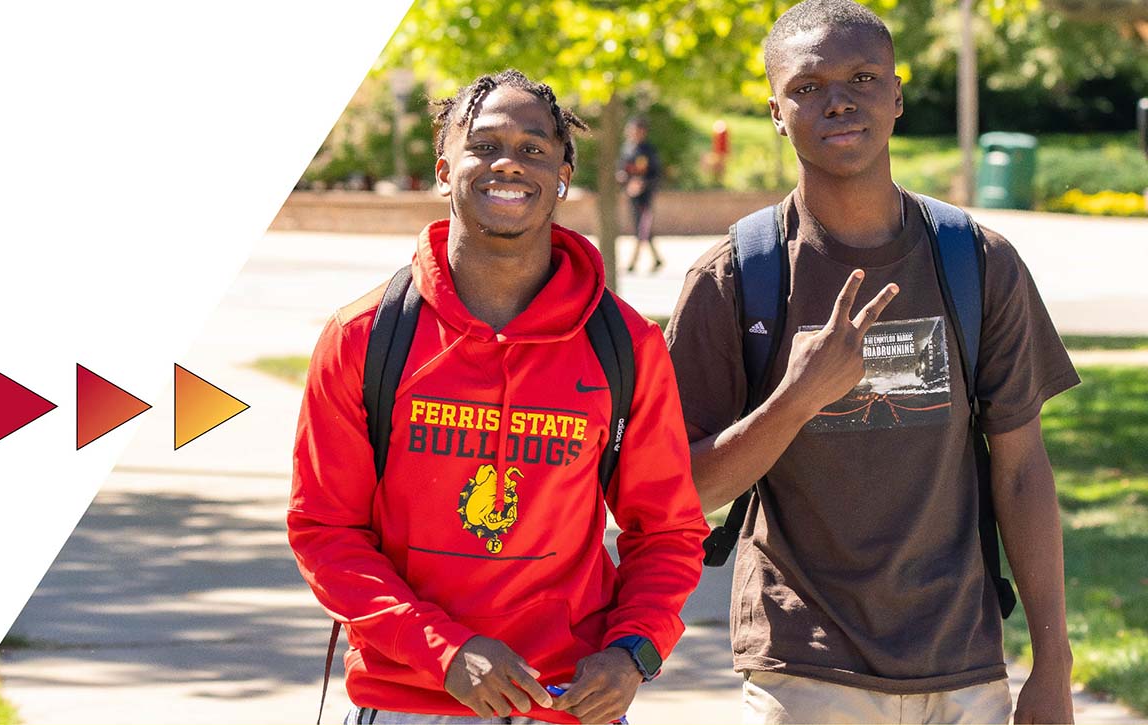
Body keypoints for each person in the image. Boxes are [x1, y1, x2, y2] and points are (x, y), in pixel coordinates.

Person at [664, 2, 1079, 723]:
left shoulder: (979, 263)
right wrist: (794, 399)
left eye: (861, 77)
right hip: (804, 667)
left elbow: (1021, 469)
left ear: (897, 96)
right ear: (775, 111)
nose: (839, 100)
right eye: (807, 86)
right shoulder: (735, 278)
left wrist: (1054, 663)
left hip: (963, 666)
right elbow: (680, 491)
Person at [288, 69, 708, 725]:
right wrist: (443, 651)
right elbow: (327, 533)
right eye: (484, 144)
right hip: (409, 703)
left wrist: (634, 651)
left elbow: (668, 531)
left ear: (564, 174)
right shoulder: (364, 338)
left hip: (567, 706)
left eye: (534, 147)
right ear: (443, 167)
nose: (508, 162)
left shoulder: (625, 344)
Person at [617, 116, 663, 273]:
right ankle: (657, 259)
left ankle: (632, 262)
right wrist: (623, 179)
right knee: (641, 228)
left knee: (642, 227)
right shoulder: (627, 149)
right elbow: (622, 169)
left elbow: (657, 174)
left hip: (645, 196)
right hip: (632, 196)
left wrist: (644, 184)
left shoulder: (649, 151)